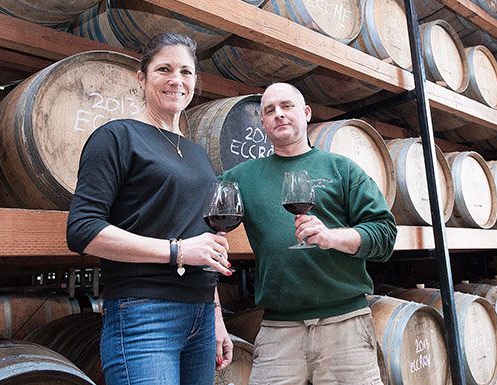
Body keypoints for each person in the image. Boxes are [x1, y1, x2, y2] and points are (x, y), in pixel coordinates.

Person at [66, 32, 234, 385]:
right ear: (141, 78)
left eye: (186, 72)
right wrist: (177, 251)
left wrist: (216, 314)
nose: (177, 80)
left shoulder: (197, 154)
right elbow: (82, 229)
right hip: (144, 312)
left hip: (201, 317)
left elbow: (201, 241)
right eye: (164, 69)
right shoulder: (117, 136)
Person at [221, 82, 397, 385]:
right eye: (269, 110)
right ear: (262, 123)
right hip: (279, 331)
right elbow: (203, 222)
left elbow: (384, 235)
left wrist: (332, 237)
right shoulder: (241, 178)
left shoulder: (342, 169)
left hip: (346, 326)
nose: (278, 114)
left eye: (286, 106)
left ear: (306, 113)